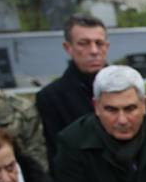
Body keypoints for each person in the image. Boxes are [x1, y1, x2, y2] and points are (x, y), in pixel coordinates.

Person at [35, 14, 109, 164]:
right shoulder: (51, 98)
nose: (94, 51)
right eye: (84, 43)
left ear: (106, 47)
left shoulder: (128, 87)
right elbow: (58, 154)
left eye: (99, 43)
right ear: (68, 47)